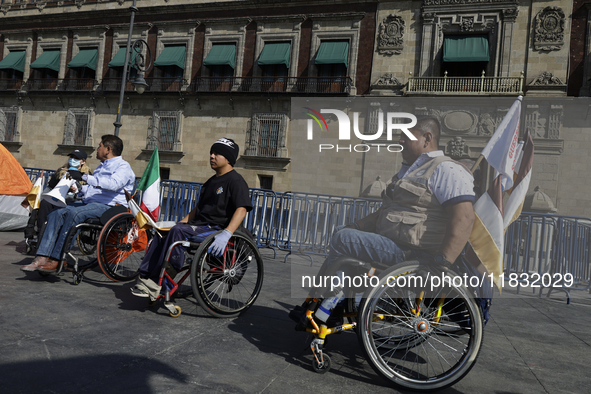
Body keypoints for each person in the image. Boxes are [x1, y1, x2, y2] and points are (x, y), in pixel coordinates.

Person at [292, 117, 477, 323]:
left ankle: (331, 306)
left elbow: (465, 218)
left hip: (414, 255)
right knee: (343, 234)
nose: (400, 142)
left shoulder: (447, 170)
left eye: (406, 136)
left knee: (343, 239)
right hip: (393, 244)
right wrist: (356, 226)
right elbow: (384, 212)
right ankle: (319, 304)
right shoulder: (409, 171)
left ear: (427, 138)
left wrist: (441, 264)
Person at [131, 137, 253, 300]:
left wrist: (227, 233)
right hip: (199, 225)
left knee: (178, 233)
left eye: (217, 153)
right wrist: (180, 222)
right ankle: (145, 276)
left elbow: (242, 209)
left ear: (228, 158)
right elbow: (198, 209)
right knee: (162, 232)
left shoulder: (236, 181)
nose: (212, 156)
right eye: (211, 152)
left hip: (216, 229)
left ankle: (159, 282)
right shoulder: (211, 182)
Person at [21, 135, 136, 273]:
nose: (97, 149)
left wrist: (83, 177)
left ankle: (57, 259)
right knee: (55, 212)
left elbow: (113, 184)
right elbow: (92, 190)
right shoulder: (101, 167)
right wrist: (77, 188)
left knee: (73, 214)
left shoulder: (123, 167)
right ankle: (42, 256)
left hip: (110, 207)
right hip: (91, 203)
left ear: (108, 149)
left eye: (100, 146)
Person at [24, 149, 93, 242]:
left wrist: (76, 190)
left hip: (74, 201)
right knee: (45, 203)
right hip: (56, 199)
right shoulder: (61, 171)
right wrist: (43, 197)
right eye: (71, 157)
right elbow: (50, 188)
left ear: (83, 161)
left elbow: (87, 193)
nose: (73, 159)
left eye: (76, 158)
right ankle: (42, 233)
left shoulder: (86, 175)